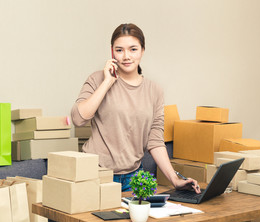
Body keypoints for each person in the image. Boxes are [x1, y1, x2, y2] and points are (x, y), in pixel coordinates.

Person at [71, 23, 200, 194]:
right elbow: (78, 119)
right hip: (96, 174)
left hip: (134, 178)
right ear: (112, 52)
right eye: (119, 50)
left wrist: (175, 180)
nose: (126, 56)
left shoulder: (154, 91)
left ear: (142, 51)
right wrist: (107, 82)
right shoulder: (97, 79)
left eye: (133, 49)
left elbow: (155, 140)